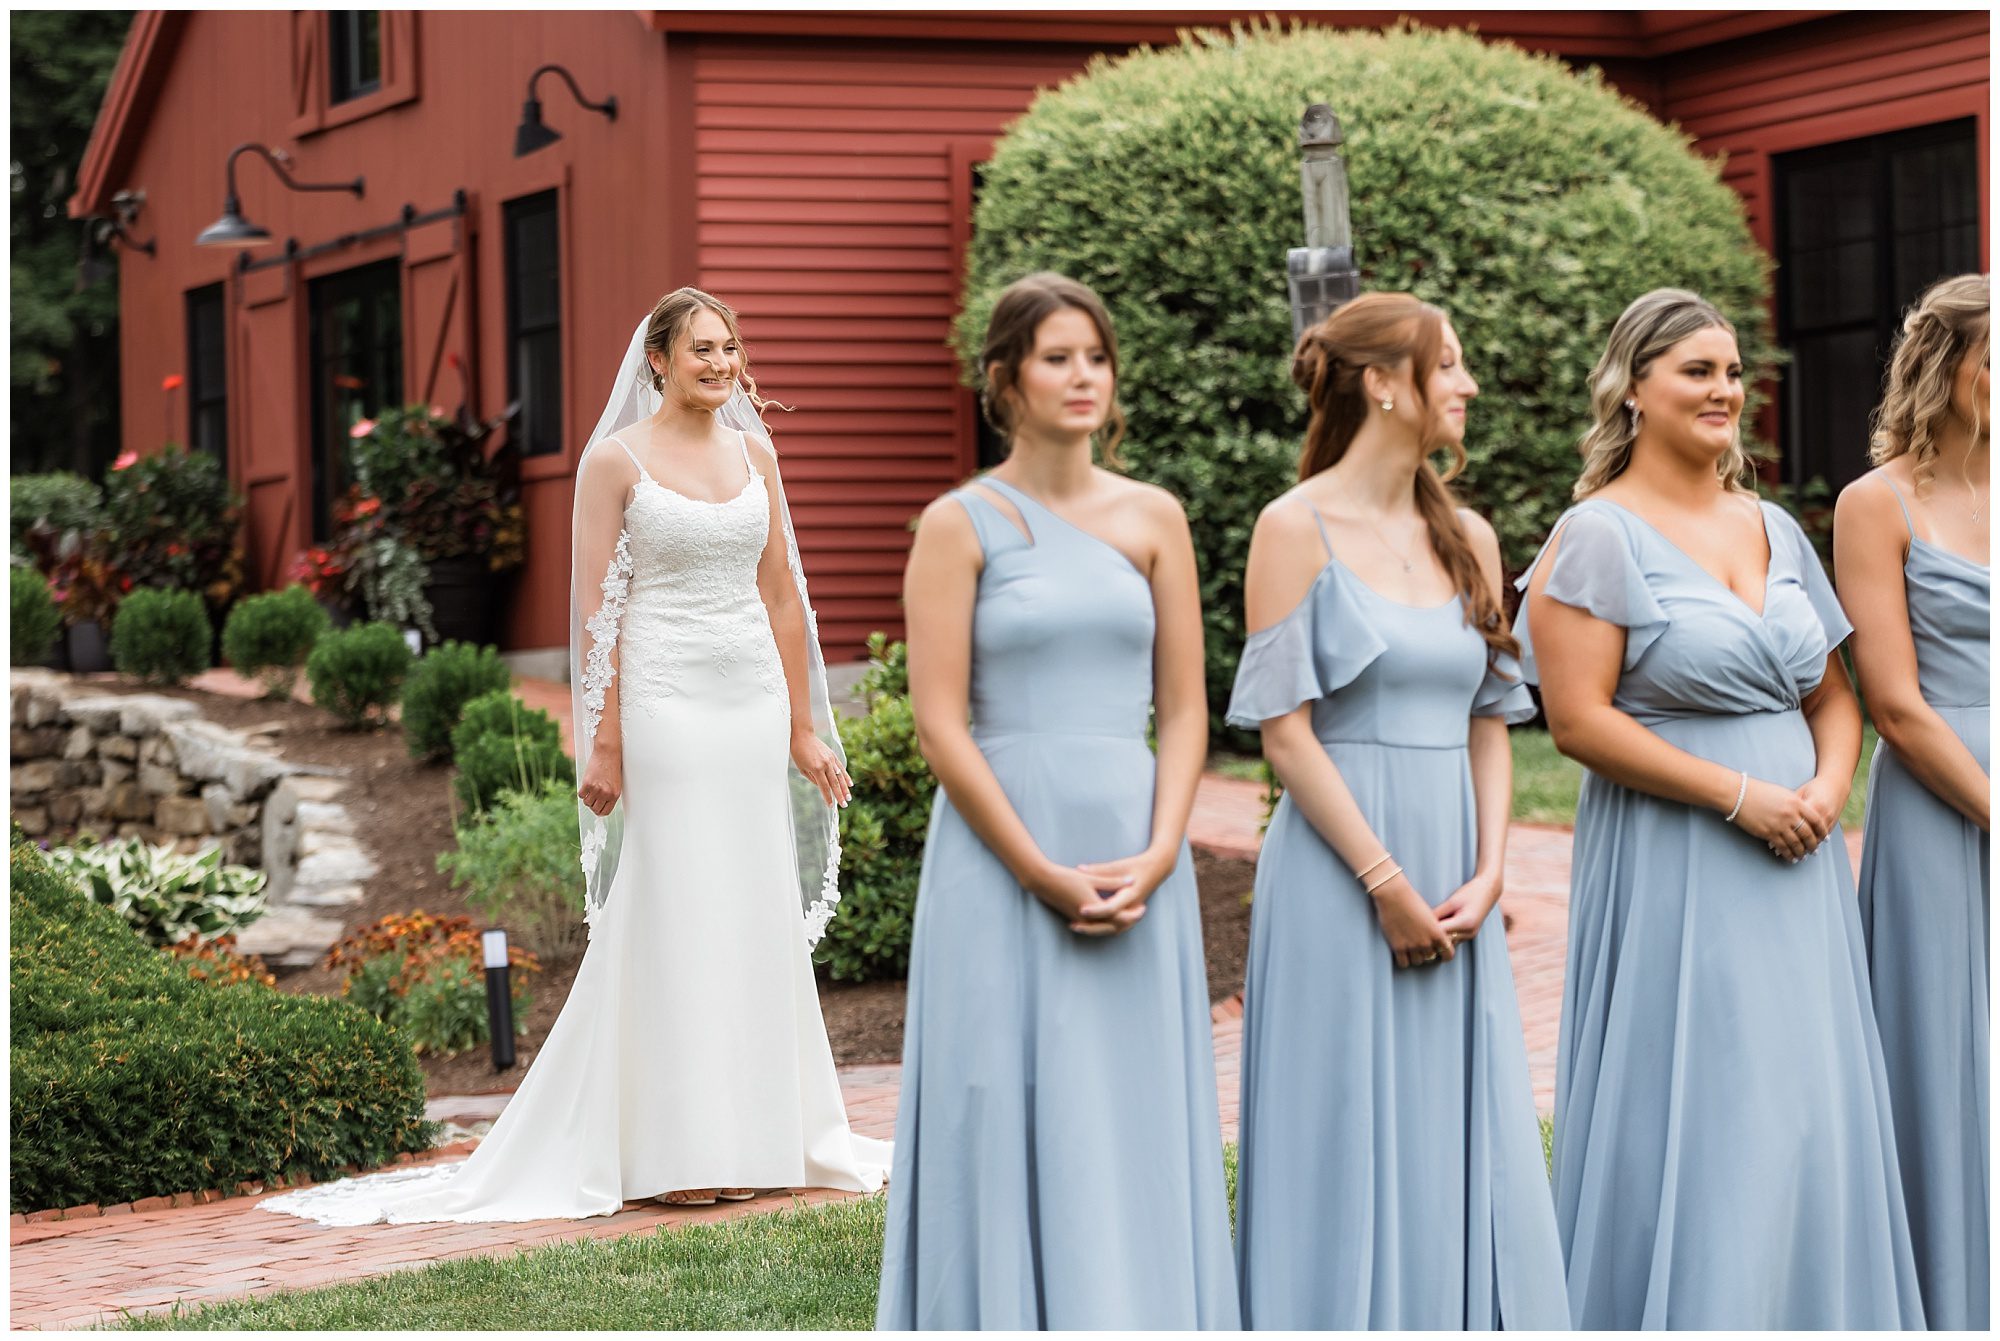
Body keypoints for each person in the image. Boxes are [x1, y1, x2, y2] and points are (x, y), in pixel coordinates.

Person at [263, 288, 889, 1225]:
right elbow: (597, 606)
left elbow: (784, 596)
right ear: (659, 363)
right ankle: (673, 1143)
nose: (722, 364)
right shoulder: (614, 461)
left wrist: (804, 723)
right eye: (703, 350)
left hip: (750, 699)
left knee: (747, 899)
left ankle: (758, 1131)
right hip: (664, 699)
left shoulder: (755, 451)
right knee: (677, 899)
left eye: (730, 348)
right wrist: (605, 737)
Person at [1516, 288, 1922, 1328]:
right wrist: (1737, 796)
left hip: (1799, 857)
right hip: (1680, 851)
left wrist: (1829, 789)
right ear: (1632, 389)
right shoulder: (1596, 533)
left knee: (1803, 1103)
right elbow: (1576, 721)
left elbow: (1833, 696)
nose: (1723, 391)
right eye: (1696, 371)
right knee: (1706, 1099)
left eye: (1733, 372)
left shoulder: (1774, 526)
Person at [874, 272, 1238, 1329]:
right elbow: (939, 723)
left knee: (1128, 1100)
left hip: (1135, 842)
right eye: (1055, 358)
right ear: (1004, 380)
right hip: (1002, 850)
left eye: (1095, 357)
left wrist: (1166, 847)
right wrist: (1033, 866)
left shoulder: (1154, 516)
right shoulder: (957, 523)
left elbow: (1183, 711)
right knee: (1004, 1089)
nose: (1082, 377)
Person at [1227, 292, 1568, 1328]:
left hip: (1453, 869)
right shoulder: (1291, 528)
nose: (1465, 385)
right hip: (1342, 871)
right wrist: (1383, 883)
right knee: (1341, 1120)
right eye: (1448, 365)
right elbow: (1283, 733)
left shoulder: (1467, 532)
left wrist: (1490, 868)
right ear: (1383, 384)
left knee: (1451, 1120)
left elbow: (1490, 715)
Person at [1833, 272, 1989, 1330]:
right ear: (1945, 369)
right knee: (1946, 1059)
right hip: (1942, 811)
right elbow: (1889, 700)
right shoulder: (1872, 503)